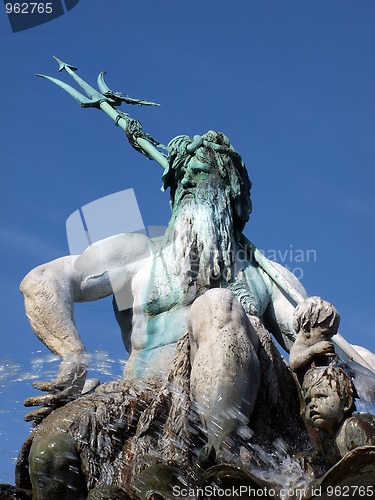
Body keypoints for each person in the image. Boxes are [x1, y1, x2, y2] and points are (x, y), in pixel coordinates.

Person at [20, 130, 309, 497]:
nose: (187, 180)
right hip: (144, 396)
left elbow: (309, 340)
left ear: (231, 193)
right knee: (52, 452)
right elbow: (44, 280)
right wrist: (73, 356)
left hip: (245, 413)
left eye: (201, 172)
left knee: (216, 304)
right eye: (180, 175)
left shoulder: (265, 275)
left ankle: (226, 454)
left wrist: (315, 324)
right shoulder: (137, 254)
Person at [301, 366, 375, 465]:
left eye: (321, 396)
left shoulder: (354, 429)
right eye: (308, 400)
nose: (312, 404)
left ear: (346, 403)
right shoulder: (321, 437)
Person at [289, 296, 339, 381]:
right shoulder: (300, 346)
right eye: (325, 334)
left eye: (331, 336)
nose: (328, 340)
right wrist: (314, 350)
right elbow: (294, 364)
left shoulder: (320, 351)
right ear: (307, 329)